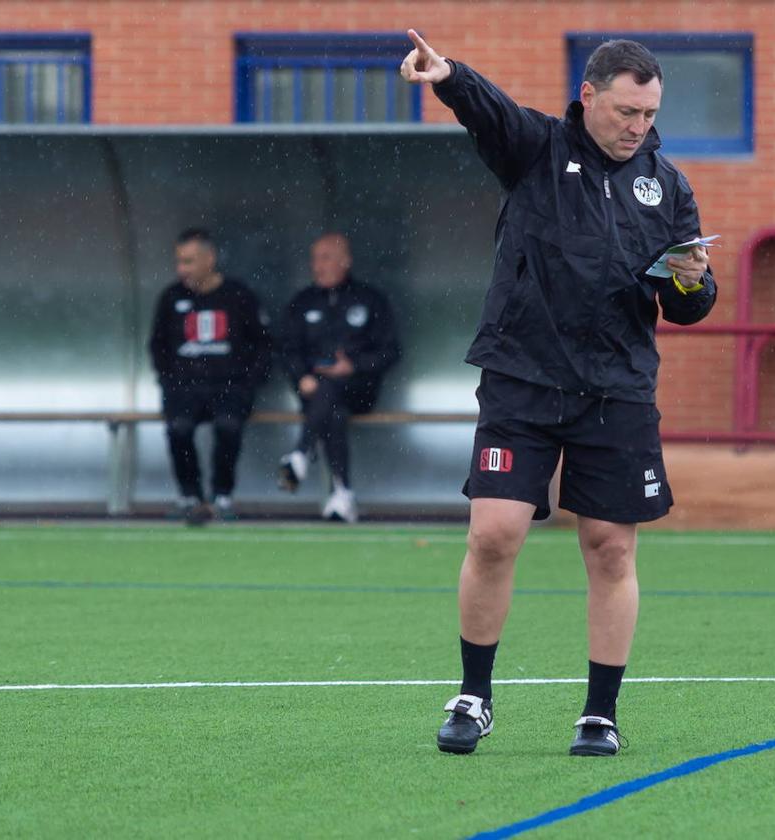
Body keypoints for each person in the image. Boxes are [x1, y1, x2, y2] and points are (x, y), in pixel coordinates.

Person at [400, 31, 716, 756]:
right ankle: (474, 697)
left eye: (649, 113)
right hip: (523, 379)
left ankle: (599, 714)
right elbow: (489, 111)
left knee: (609, 550)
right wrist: (449, 75)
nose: (638, 126)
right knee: (495, 534)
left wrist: (694, 279)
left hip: (618, 390)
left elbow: (687, 304)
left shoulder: (667, 185)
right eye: (626, 111)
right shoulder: (537, 149)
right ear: (589, 96)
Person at [148, 228, 272, 526]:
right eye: (179, 262)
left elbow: (264, 344)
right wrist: (169, 380)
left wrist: (248, 382)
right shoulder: (171, 297)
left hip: (229, 387)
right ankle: (190, 495)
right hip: (184, 387)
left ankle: (221, 495)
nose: (182, 269)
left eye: (189, 262)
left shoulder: (239, 296)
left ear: (210, 259)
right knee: (179, 428)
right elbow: (158, 345)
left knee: (228, 426)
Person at [276, 233, 401, 522]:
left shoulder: (370, 299)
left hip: (360, 389)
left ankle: (301, 452)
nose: (317, 265)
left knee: (331, 389)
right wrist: (301, 377)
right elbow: (286, 349)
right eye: (314, 259)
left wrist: (354, 366)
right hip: (314, 393)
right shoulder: (302, 302)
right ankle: (342, 495)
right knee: (332, 410)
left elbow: (391, 351)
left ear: (345, 260)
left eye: (325, 257)